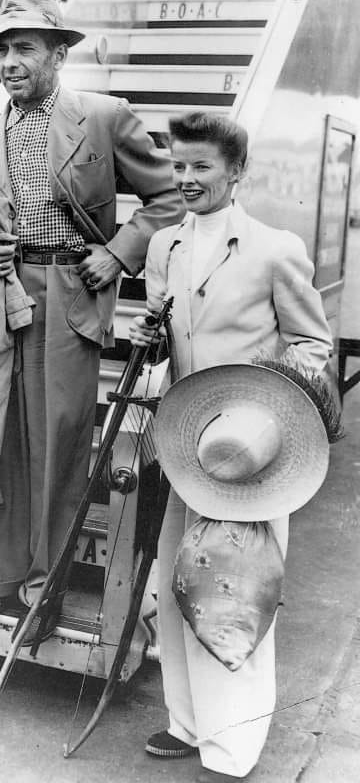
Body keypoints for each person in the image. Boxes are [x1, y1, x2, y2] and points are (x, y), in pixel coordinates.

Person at [0, 0, 182, 641]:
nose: (8, 62)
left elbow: (168, 198)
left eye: (23, 48)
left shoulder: (104, 117)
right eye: (1, 51)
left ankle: (42, 589)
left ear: (57, 54)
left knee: (58, 442)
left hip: (70, 295)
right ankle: (1, 577)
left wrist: (118, 252)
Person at [128, 111, 333, 782]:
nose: (186, 178)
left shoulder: (275, 248)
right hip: (184, 441)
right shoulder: (165, 245)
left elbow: (312, 343)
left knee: (237, 595)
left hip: (249, 451)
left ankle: (233, 745)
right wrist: (146, 338)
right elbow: (166, 333)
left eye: (201, 166)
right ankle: (187, 722)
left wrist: (263, 407)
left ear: (236, 171)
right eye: (178, 166)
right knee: (176, 579)